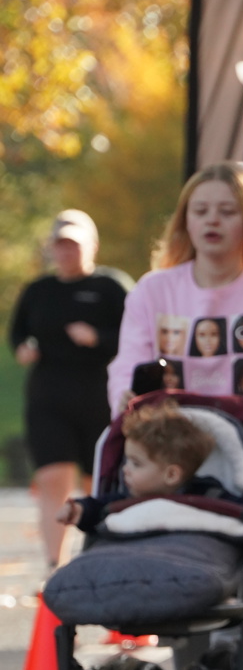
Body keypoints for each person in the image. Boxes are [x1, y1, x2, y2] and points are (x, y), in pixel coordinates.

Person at [107, 162, 243, 441]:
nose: (212, 220)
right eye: (200, 211)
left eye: (227, 211)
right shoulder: (151, 290)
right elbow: (127, 364)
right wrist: (124, 402)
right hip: (168, 446)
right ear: (186, 221)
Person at [9, 209, 131, 567]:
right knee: (53, 478)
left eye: (74, 245)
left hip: (99, 395)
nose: (66, 252)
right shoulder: (39, 290)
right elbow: (18, 333)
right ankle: (54, 565)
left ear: (92, 246)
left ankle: (99, 557)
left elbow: (136, 335)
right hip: (49, 396)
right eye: (60, 245)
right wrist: (23, 348)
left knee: (100, 480)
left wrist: (98, 338)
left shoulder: (111, 286)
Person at [56, 399, 243, 557]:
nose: (125, 469)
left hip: (191, 557)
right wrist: (78, 510)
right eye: (127, 461)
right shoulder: (125, 499)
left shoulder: (208, 494)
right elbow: (97, 507)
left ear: (172, 474)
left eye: (136, 463)